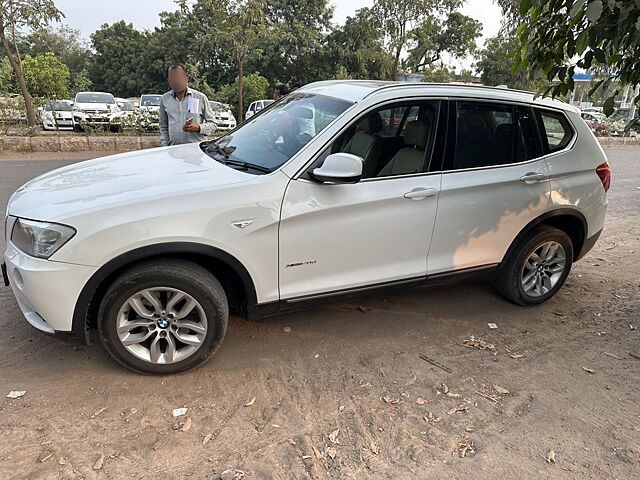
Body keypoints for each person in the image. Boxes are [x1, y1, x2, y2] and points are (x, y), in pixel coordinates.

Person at [159, 64, 216, 146]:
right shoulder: (164, 99)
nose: (176, 81)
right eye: (173, 78)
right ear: (169, 81)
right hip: (173, 151)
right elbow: (163, 126)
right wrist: (165, 145)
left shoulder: (200, 97)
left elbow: (213, 124)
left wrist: (199, 127)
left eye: (179, 77)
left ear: (186, 79)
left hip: (196, 150)